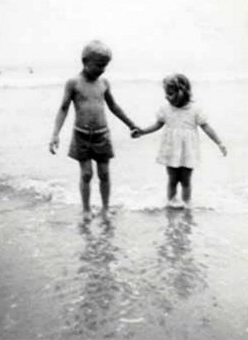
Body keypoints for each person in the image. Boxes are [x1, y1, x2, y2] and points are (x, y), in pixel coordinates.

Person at [49, 40, 139, 222]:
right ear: (85, 61)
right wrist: (55, 134)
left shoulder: (103, 83)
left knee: (104, 173)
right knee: (86, 174)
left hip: (102, 135)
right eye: (99, 65)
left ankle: (106, 208)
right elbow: (64, 108)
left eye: (105, 65)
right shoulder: (73, 83)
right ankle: (86, 209)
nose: (102, 69)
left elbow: (114, 106)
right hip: (81, 134)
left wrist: (131, 124)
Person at [132, 73, 227, 209]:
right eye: (166, 93)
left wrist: (219, 143)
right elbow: (157, 125)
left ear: (181, 93)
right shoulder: (165, 109)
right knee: (172, 179)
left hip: (188, 150)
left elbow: (206, 127)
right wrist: (142, 132)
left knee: (185, 180)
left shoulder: (195, 110)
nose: (166, 97)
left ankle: (186, 205)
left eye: (169, 94)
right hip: (170, 149)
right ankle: (170, 203)